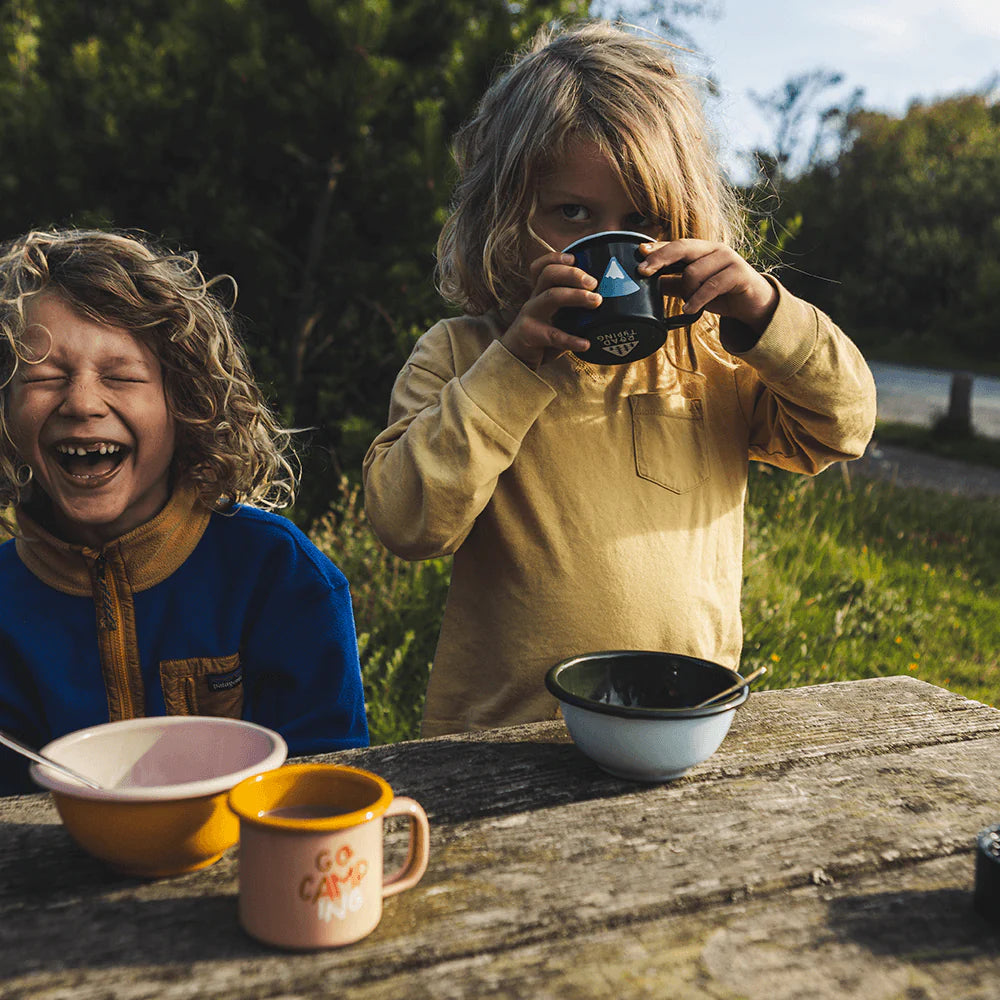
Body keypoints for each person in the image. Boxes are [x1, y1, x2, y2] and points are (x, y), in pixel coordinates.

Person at [362, 21, 877, 738]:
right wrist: (513, 366)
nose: (609, 256)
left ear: (688, 221)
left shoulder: (711, 362)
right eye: (573, 213)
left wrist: (764, 311)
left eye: (642, 221)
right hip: (500, 749)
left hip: (679, 731)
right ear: (507, 219)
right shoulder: (462, 357)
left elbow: (844, 424)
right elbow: (408, 521)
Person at [0, 228, 368, 795]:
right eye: (45, 377)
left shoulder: (279, 575)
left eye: (121, 376)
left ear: (185, 401)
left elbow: (328, 783)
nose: (81, 403)